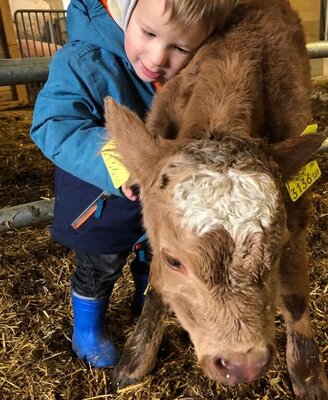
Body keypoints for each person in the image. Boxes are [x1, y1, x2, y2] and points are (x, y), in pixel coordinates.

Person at [30, 0, 237, 368]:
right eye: (149, 33)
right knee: (102, 264)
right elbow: (54, 124)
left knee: (152, 253)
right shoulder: (84, 61)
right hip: (103, 199)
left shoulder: (193, 70)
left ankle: (145, 303)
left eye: (180, 48)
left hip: (158, 203)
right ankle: (88, 329)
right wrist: (118, 159)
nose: (158, 57)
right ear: (124, 11)